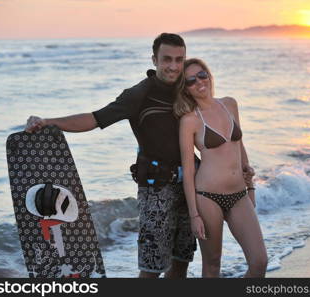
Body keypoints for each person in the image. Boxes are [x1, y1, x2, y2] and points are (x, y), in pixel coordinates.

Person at [25, 33, 197, 278]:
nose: (173, 66)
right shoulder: (138, 94)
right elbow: (95, 119)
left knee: (182, 259)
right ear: (154, 60)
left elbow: (208, 126)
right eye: (166, 59)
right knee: (151, 268)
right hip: (156, 189)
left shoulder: (187, 90)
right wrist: (48, 122)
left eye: (179, 60)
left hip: (190, 185)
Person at [174, 58, 268, 277]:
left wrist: (250, 187)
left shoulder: (230, 104)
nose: (199, 82)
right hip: (207, 197)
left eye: (202, 75)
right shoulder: (190, 120)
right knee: (213, 264)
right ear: (185, 89)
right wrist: (194, 215)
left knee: (259, 261)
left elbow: (240, 147)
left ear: (209, 75)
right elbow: (188, 171)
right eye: (190, 80)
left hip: (238, 195)